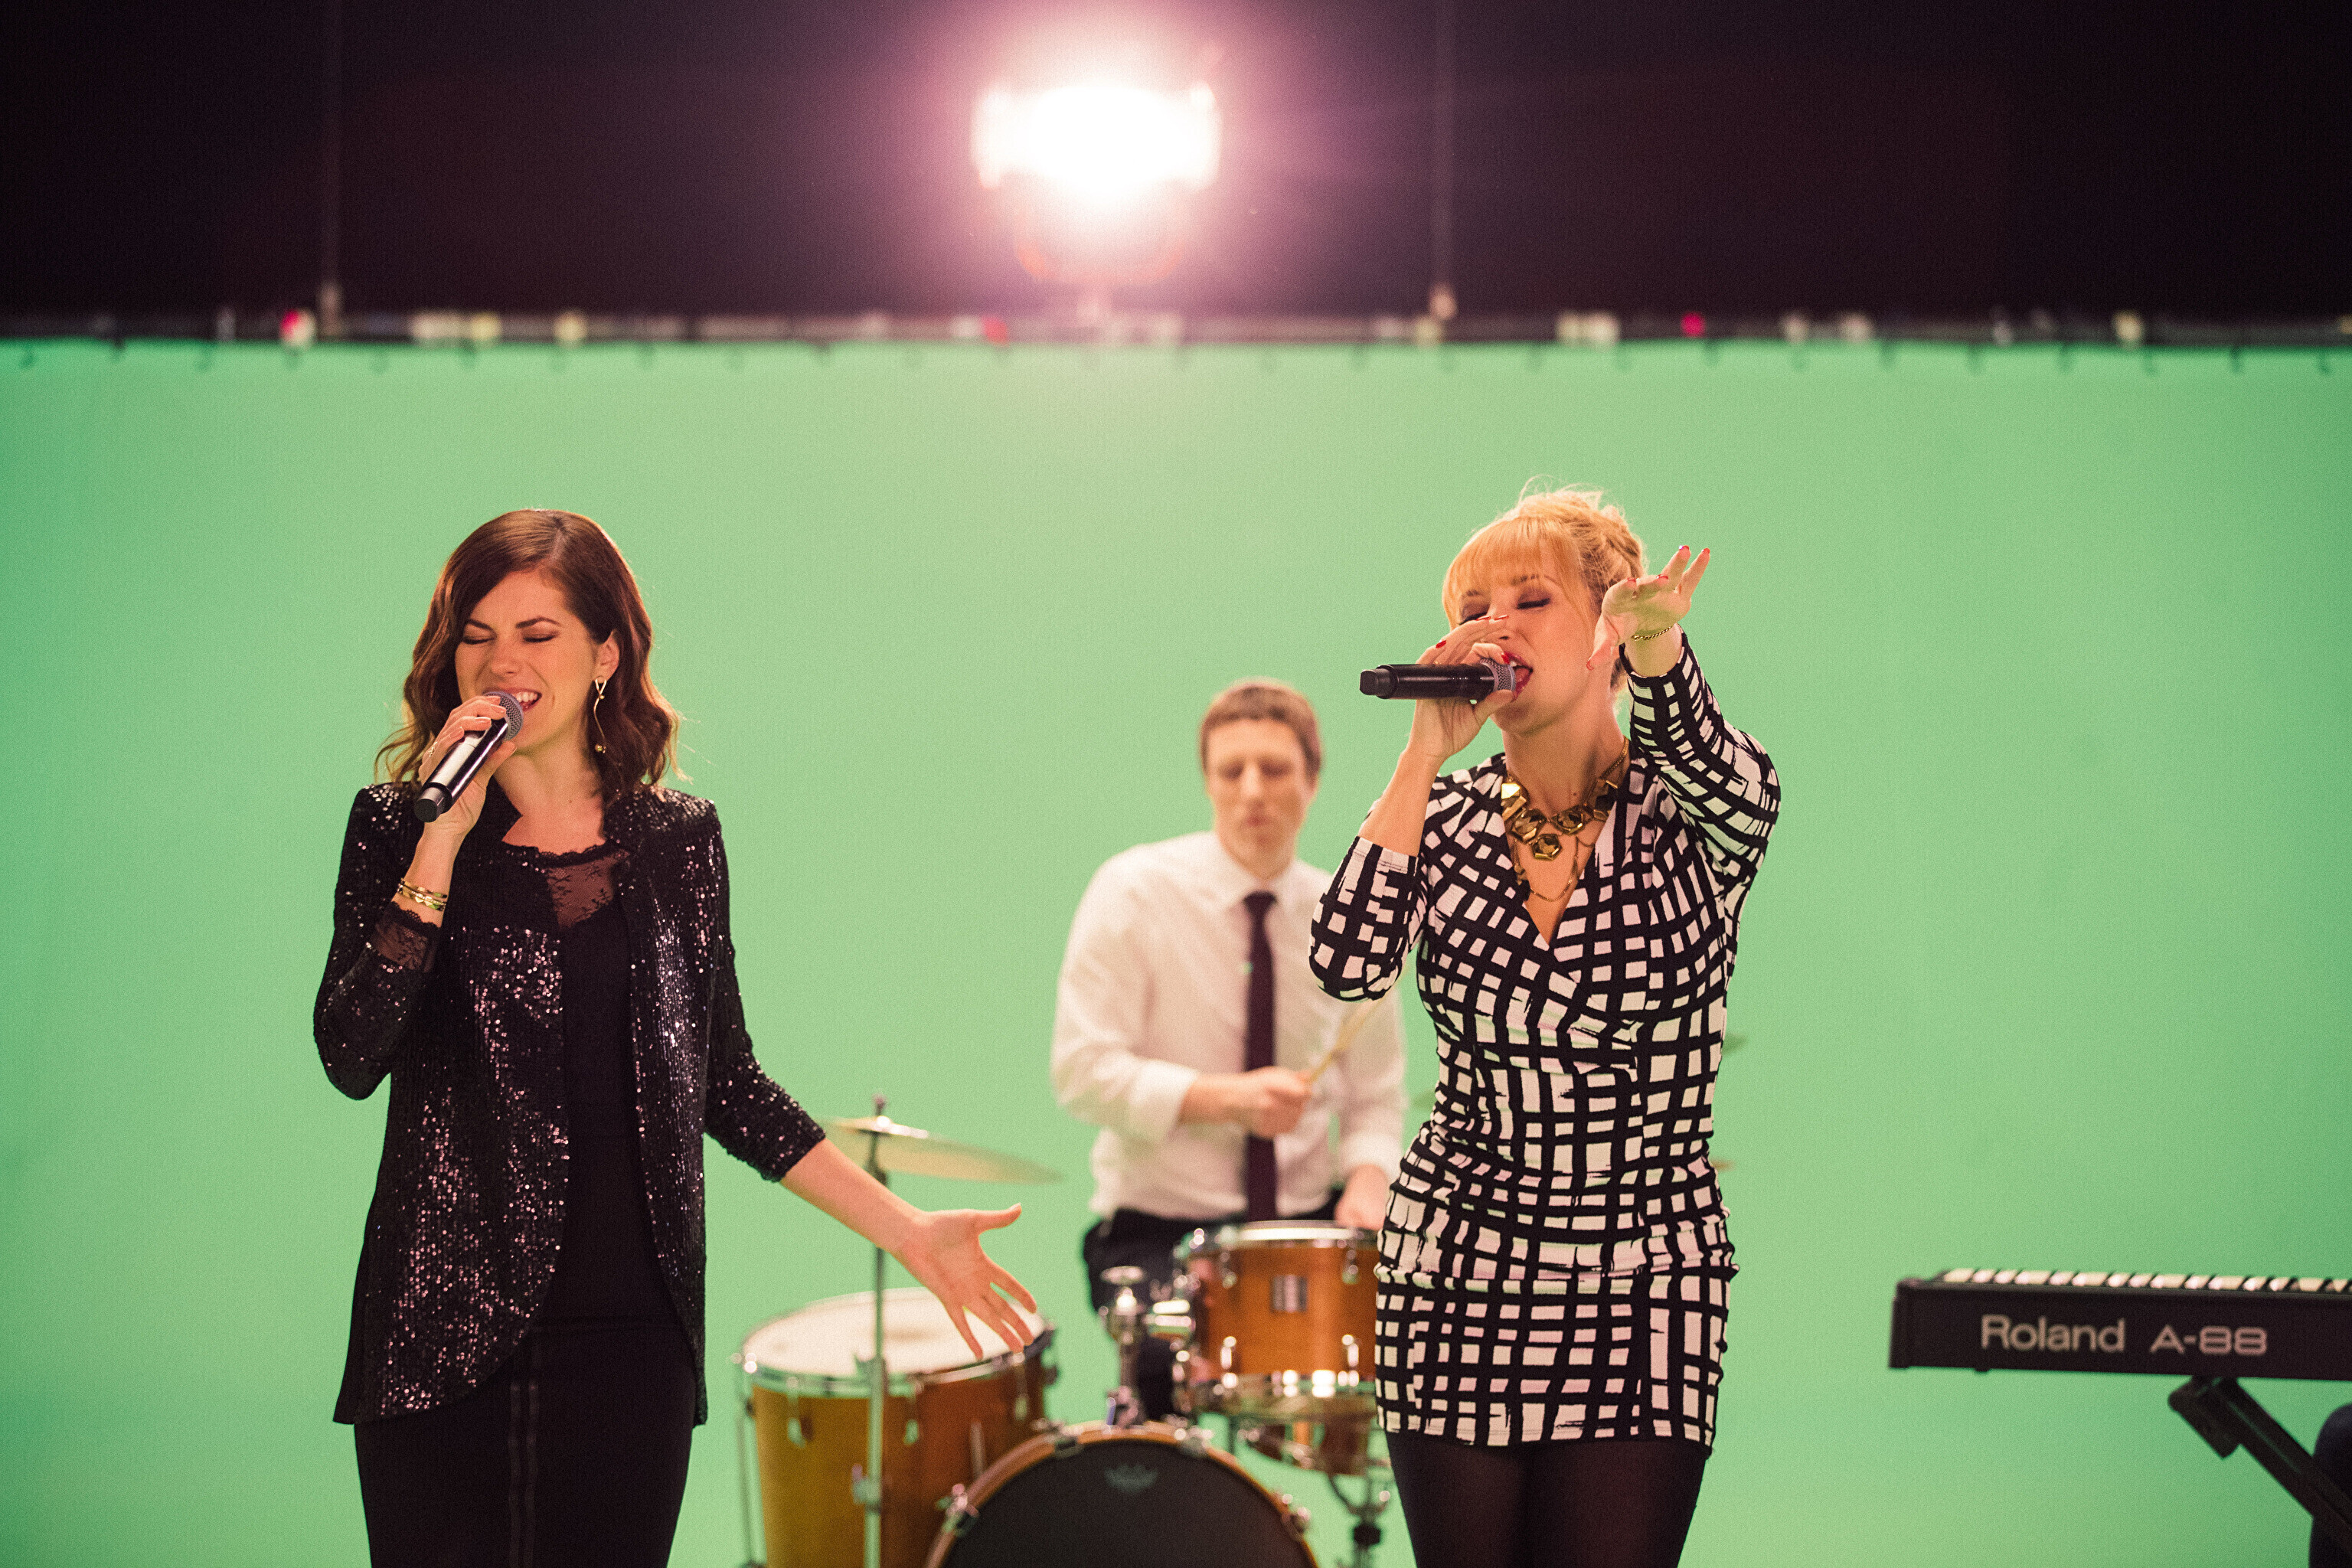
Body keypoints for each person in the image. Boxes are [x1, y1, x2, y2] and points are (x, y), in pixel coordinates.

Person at [315, 509, 1034, 1568]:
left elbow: (727, 1084)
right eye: (478, 635)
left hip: (630, 1341)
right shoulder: (398, 825)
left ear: (605, 654)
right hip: (443, 1325)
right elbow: (350, 1051)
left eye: (538, 633)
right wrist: (440, 846)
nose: (505, 662)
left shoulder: (676, 842)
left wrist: (910, 1232)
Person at [1308, 487, 1779, 1568]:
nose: (1497, 628)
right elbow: (1346, 963)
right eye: (1473, 610)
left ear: (1607, 631)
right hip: (1457, 1266)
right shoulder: (1449, 816)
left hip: (1644, 1272)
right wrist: (1423, 754)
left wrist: (1660, 649)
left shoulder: (1694, 816)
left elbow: (1711, 763)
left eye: (1531, 600)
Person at [1051, 679, 1406, 1420]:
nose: (1252, 791)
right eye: (1230, 770)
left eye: (1274, 770)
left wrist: (1368, 1183)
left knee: (1409, 1374)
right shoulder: (1133, 893)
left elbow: (1376, 1098)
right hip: (1160, 1231)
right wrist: (1226, 1099)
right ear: (1207, 780)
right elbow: (1082, 1070)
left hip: (1307, 1227)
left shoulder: (1349, 918)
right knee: (1160, 1395)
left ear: (1312, 781)